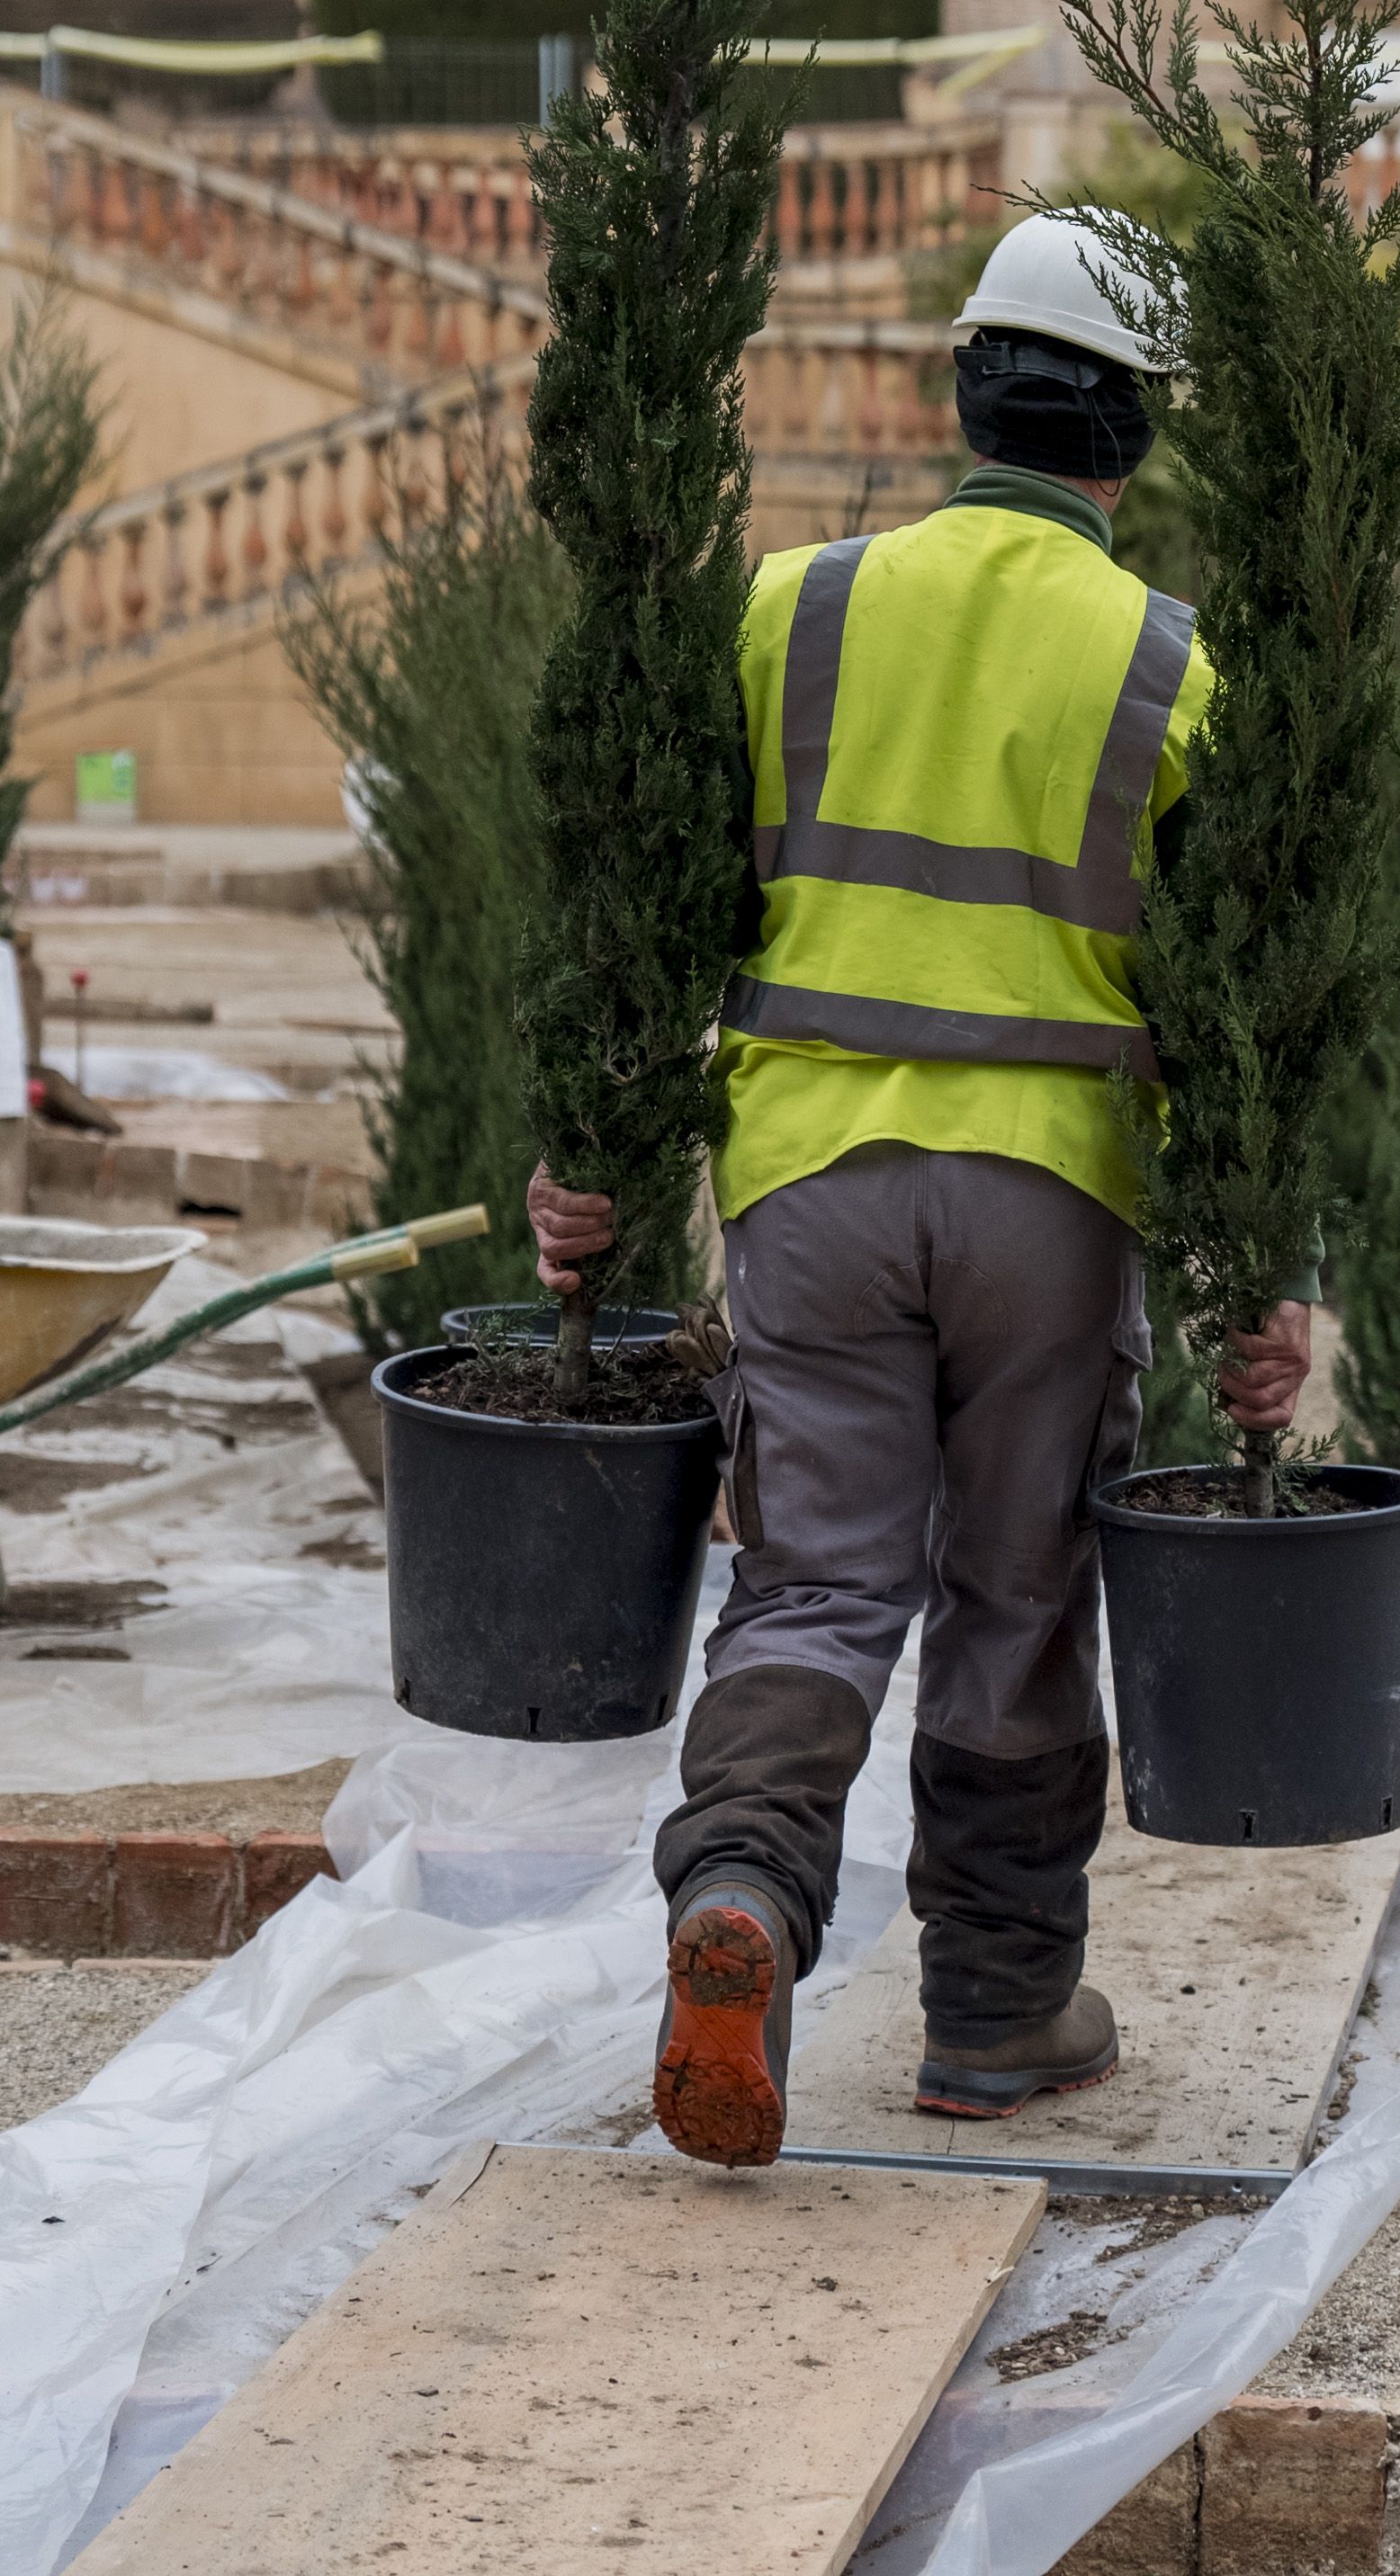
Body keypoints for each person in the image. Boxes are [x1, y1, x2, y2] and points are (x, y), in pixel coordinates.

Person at [525, 213, 1315, 2169]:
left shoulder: (789, 603)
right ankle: (995, 2007)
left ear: (961, 387)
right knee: (1014, 1593)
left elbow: (654, 895)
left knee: (814, 1572)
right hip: (1055, 1186)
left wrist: (584, 1151)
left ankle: (744, 1903)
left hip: (810, 1178)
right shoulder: (1175, 662)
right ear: (1136, 431)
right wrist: (1259, 1280)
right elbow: (1235, 1003)